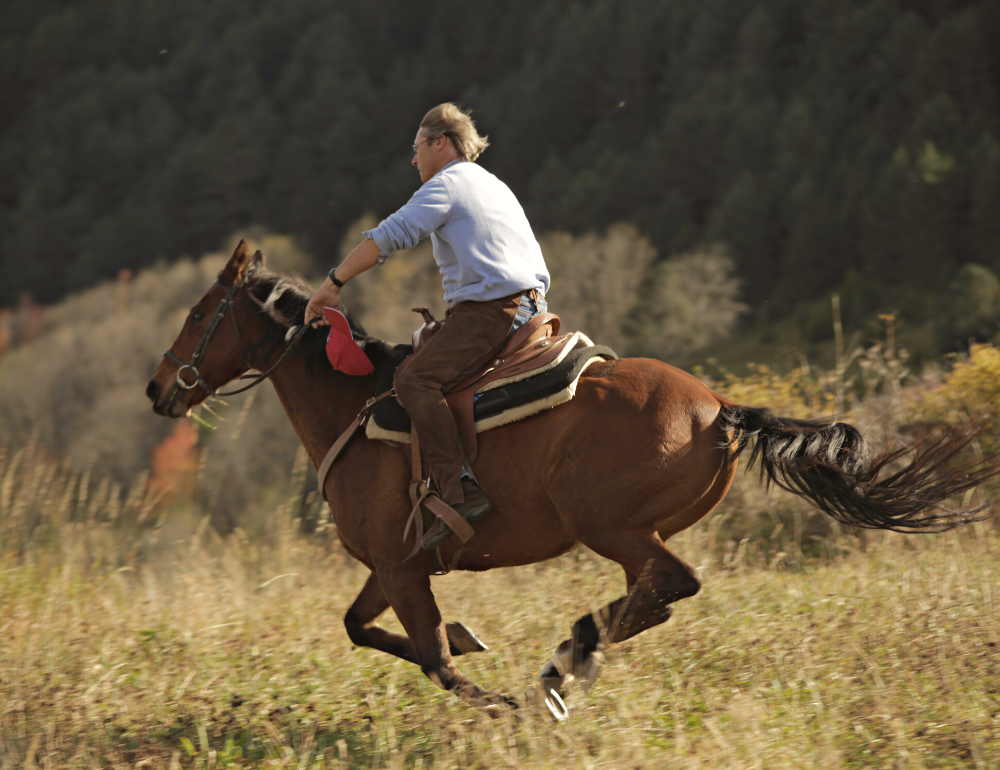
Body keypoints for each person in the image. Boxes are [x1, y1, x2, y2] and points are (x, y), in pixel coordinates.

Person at [305, 103, 551, 548]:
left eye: (417, 148)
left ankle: (459, 490)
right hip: (529, 306)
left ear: (441, 142)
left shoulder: (449, 184)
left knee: (413, 380)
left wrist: (331, 284)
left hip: (491, 312)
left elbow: (388, 236)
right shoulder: (492, 184)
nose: (413, 160)